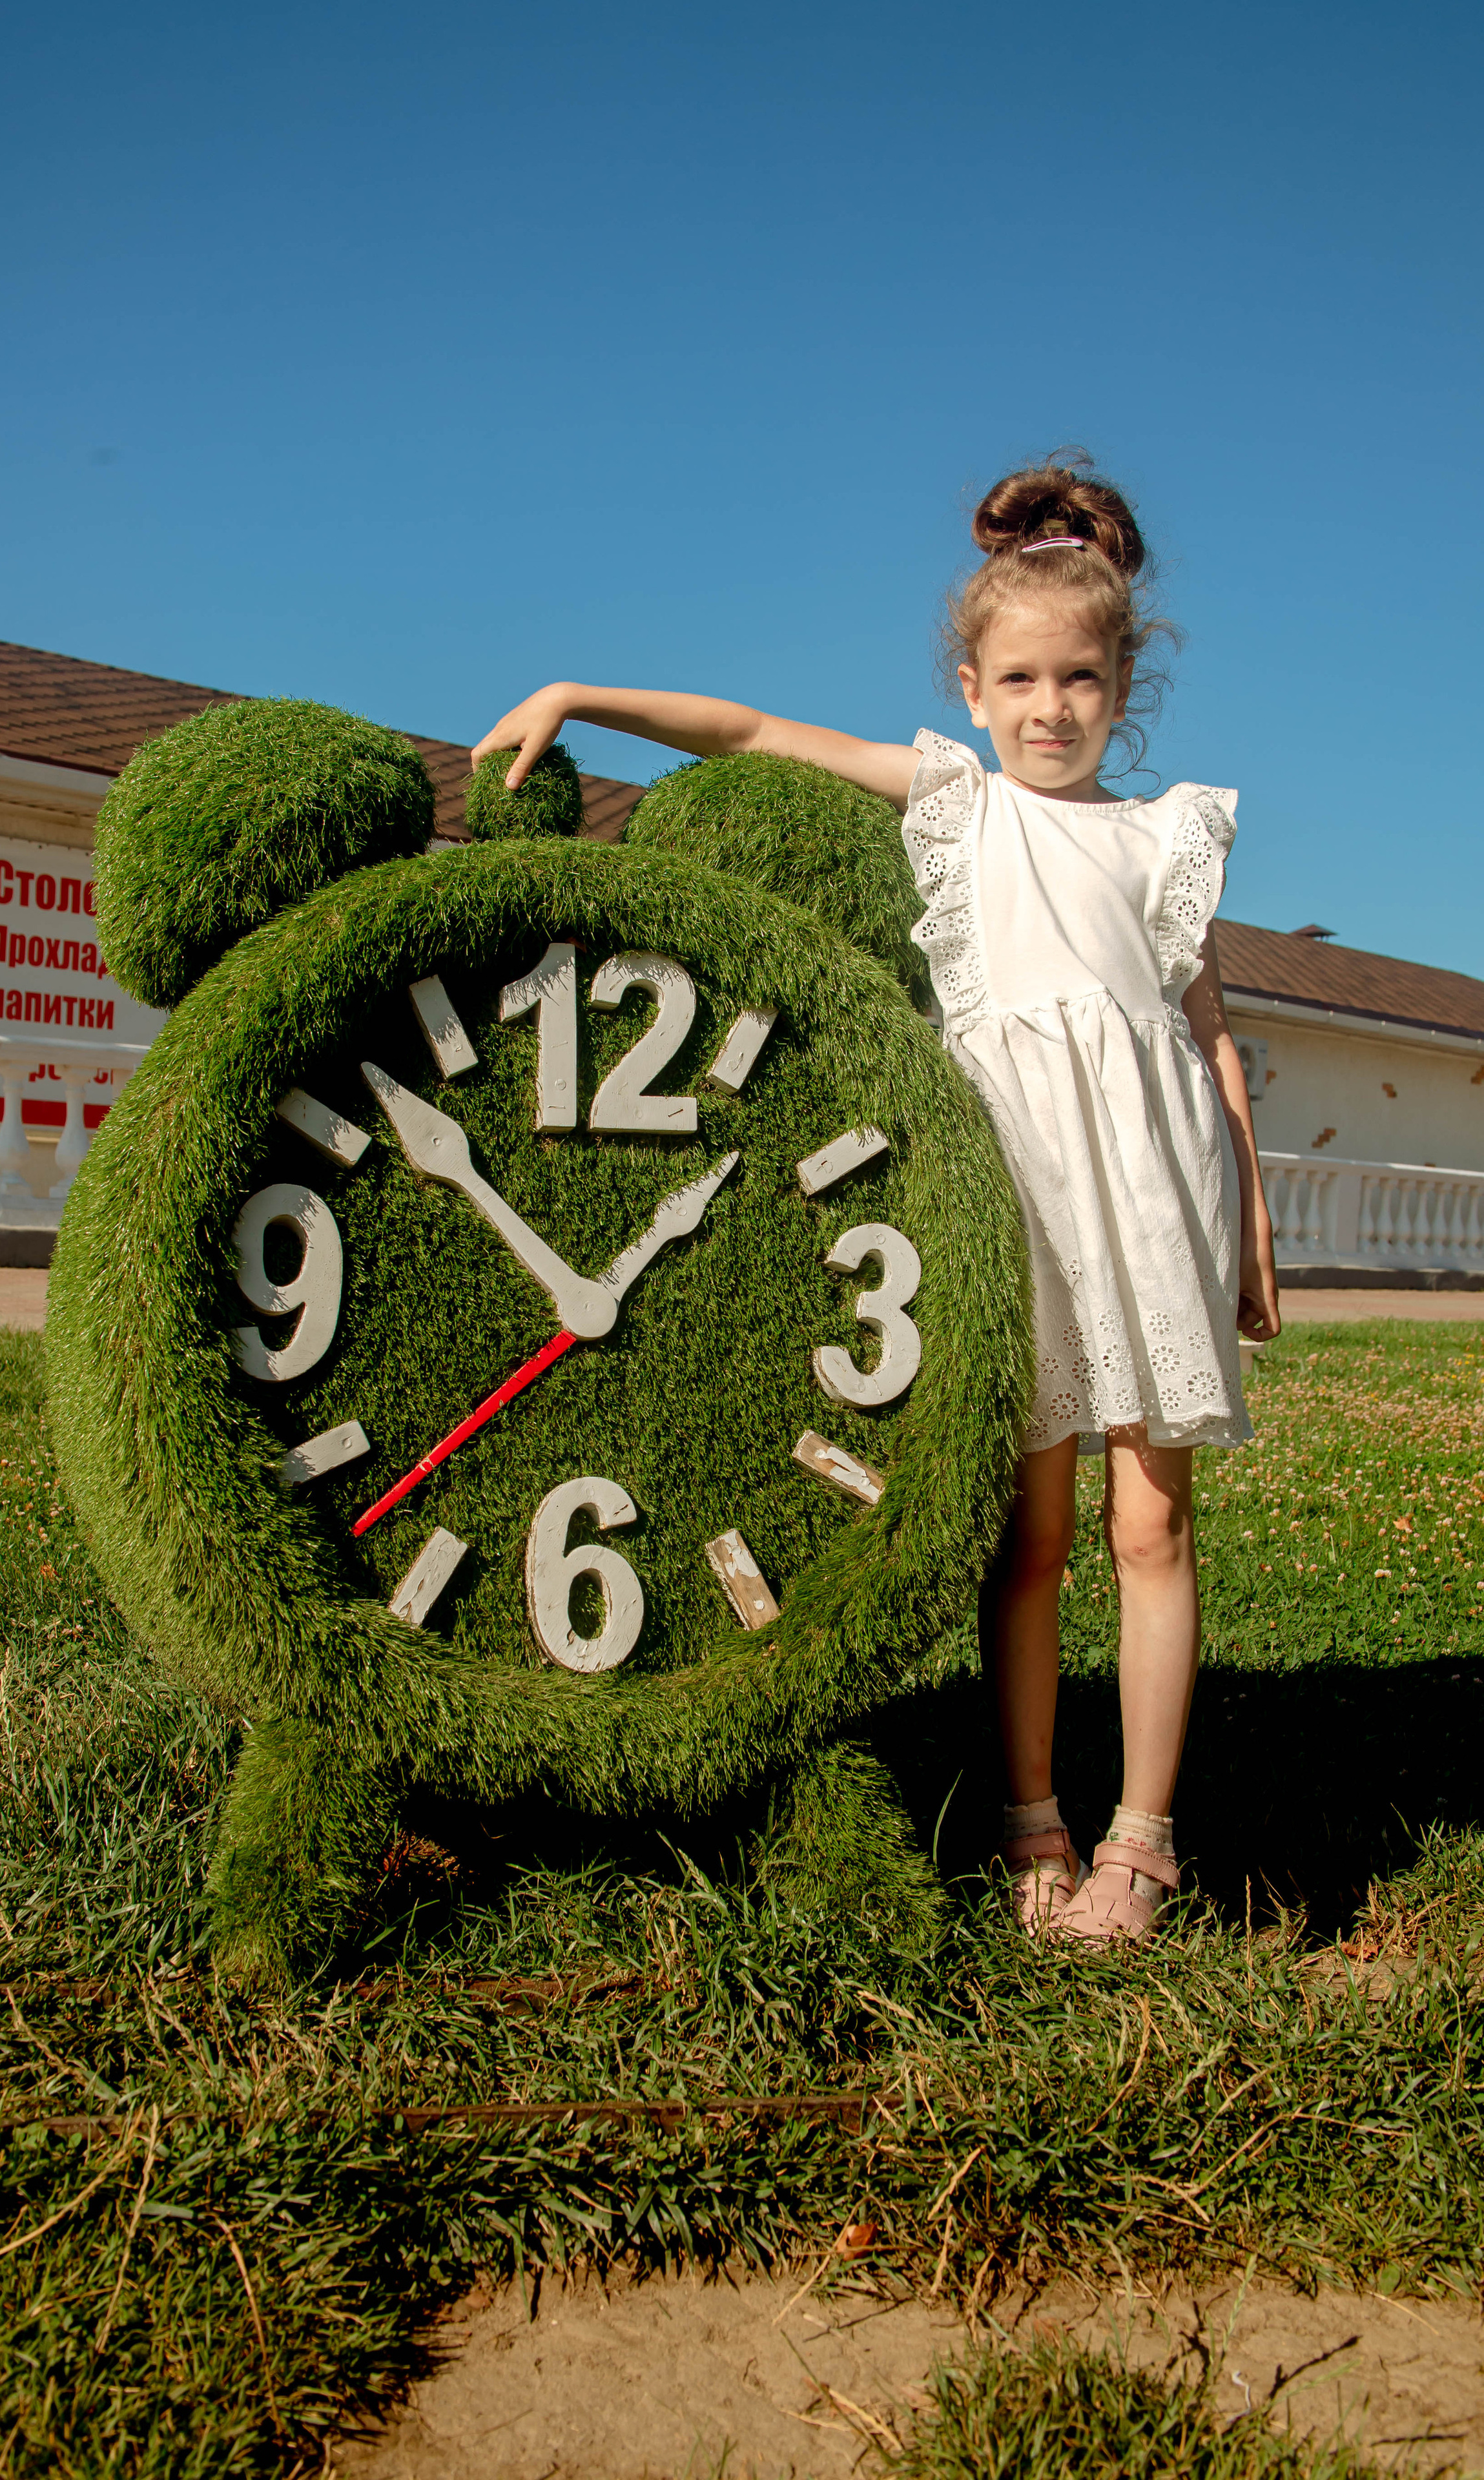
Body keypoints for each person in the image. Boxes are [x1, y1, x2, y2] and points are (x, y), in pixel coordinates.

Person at [471, 455, 1280, 1945]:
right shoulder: (958, 809)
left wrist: (1250, 1225)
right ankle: (1031, 1814)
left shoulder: (1163, 839)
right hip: (1010, 1204)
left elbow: (1207, 1037)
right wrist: (580, 696)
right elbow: (752, 732)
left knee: (1151, 1526)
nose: (1050, 708)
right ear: (971, 690)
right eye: (1019, 679)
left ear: (1121, 686)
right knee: (1028, 1533)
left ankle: (1142, 1839)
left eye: (1080, 679)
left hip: (1154, 1208)